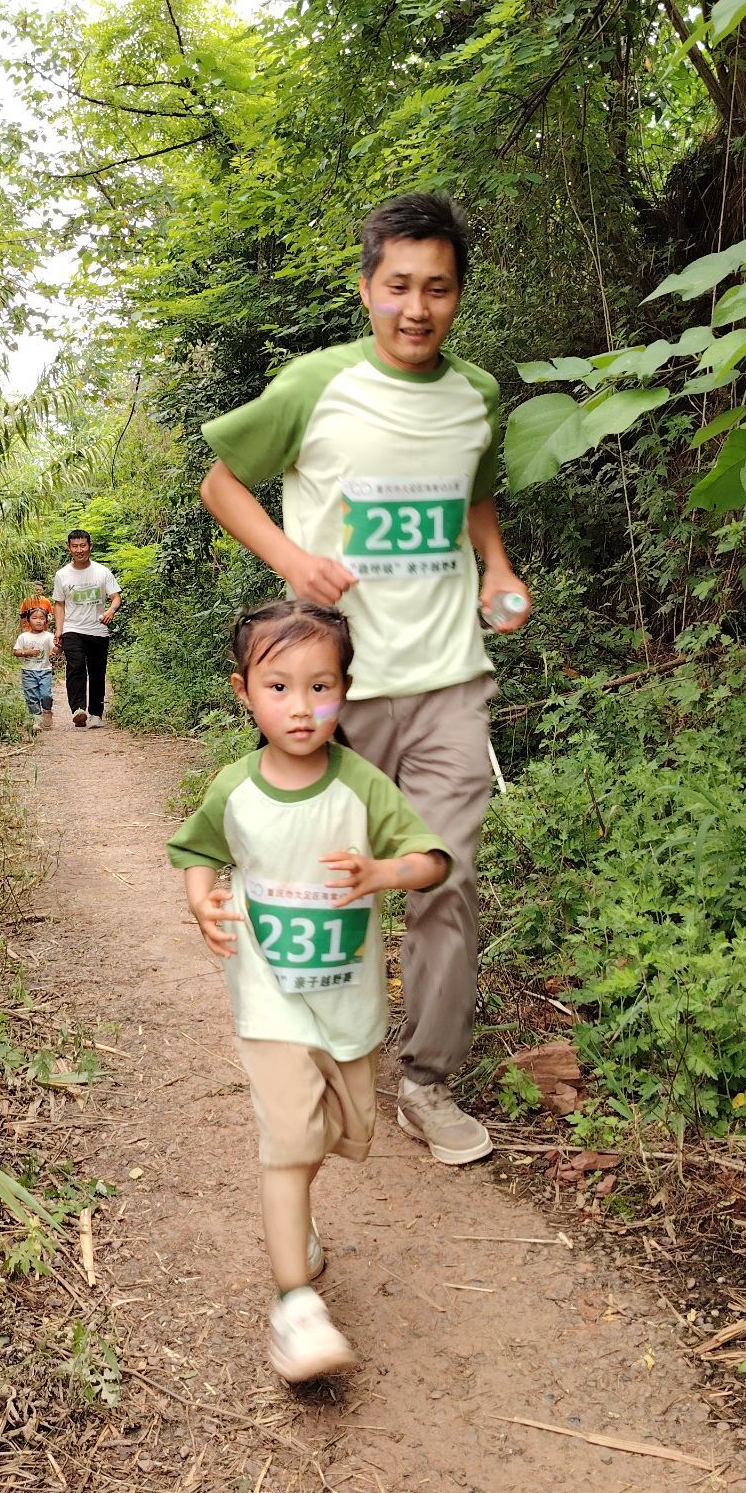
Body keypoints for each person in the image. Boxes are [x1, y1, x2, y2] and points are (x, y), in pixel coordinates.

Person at [196, 193, 531, 1167]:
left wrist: (498, 567)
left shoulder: (476, 394)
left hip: (449, 684)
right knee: (319, 885)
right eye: (397, 287)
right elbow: (220, 482)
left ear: (459, 294)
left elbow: (474, 493)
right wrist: (294, 563)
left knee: (445, 883)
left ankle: (426, 1081)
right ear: (366, 288)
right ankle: (313, 1061)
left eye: (437, 289)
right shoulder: (315, 386)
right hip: (331, 692)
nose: (416, 308)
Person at [168, 602, 451, 1380]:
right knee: (288, 1143)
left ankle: (299, 1226)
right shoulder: (236, 789)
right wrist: (202, 900)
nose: (300, 706)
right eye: (279, 687)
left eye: (319, 686)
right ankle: (295, 1304)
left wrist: (381, 872)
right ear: (244, 692)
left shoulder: (361, 786)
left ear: (344, 690)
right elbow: (197, 846)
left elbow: (430, 858)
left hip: (347, 1008)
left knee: (330, 1135)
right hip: (269, 1002)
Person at [53, 529, 121, 729]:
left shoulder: (102, 571)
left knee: (97, 671)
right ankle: (78, 710)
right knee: (75, 666)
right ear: (69, 548)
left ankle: (96, 714)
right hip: (72, 628)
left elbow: (116, 596)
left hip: (98, 629)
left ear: (90, 546)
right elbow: (59, 604)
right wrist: (59, 630)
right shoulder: (62, 574)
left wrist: (111, 610)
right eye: (75, 546)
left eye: (83, 545)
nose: (79, 550)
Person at [12, 605, 59, 732]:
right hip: (28, 671)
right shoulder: (23, 637)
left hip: (45, 671)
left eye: (42, 618)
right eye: (34, 618)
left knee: (46, 695)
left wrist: (59, 647)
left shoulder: (48, 636)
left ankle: (47, 711)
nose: (38, 621)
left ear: (46, 621)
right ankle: (36, 719)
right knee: (31, 696)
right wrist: (26, 652)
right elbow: (16, 652)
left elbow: (55, 650)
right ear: (28, 621)